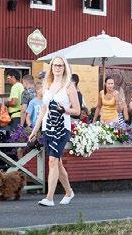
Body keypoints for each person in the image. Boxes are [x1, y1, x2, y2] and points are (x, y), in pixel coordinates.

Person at [29, 56, 80, 207]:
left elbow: (77, 110)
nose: (58, 68)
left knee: (52, 161)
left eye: (61, 65)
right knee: (57, 162)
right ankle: (69, 192)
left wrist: (63, 109)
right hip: (47, 128)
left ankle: (49, 198)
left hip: (62, 128)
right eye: (55, 65)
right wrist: (35, 129)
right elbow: (43, 109)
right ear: (51, 67)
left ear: (65, 68)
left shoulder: (69, 86)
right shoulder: (47, 85)